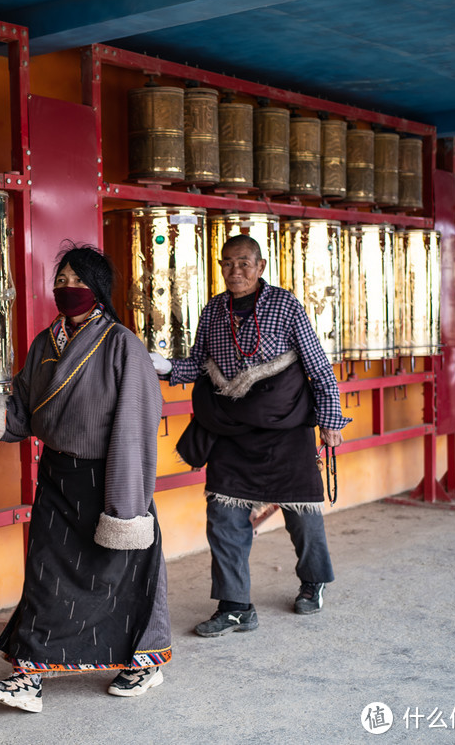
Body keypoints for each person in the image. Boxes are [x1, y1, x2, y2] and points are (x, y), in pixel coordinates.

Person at [0, 244, 172, 713]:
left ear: (99, 289)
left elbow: (135, 427)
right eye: (61, 279)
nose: (67, 288)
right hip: (57, 476)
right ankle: (28, 676)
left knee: (122, 574)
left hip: (110, 478)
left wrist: (126, 505)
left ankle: (144, 662)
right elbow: (23, 413)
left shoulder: (121, 345)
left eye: (77, 280)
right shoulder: (46, 343)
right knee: (46, 575)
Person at [149, 234, 349, 638]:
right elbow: (198, 365)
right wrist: (165, 366)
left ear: (260, 267)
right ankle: (236, 606)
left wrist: (330, 419)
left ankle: (314, 580)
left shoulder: (285, 305)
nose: (235, 270)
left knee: (303, 517)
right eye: (227, 263)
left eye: (244, 263)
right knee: (223, 519)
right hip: (231, 429)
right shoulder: (213, 310)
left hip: (286, 430)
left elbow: (319, 368)